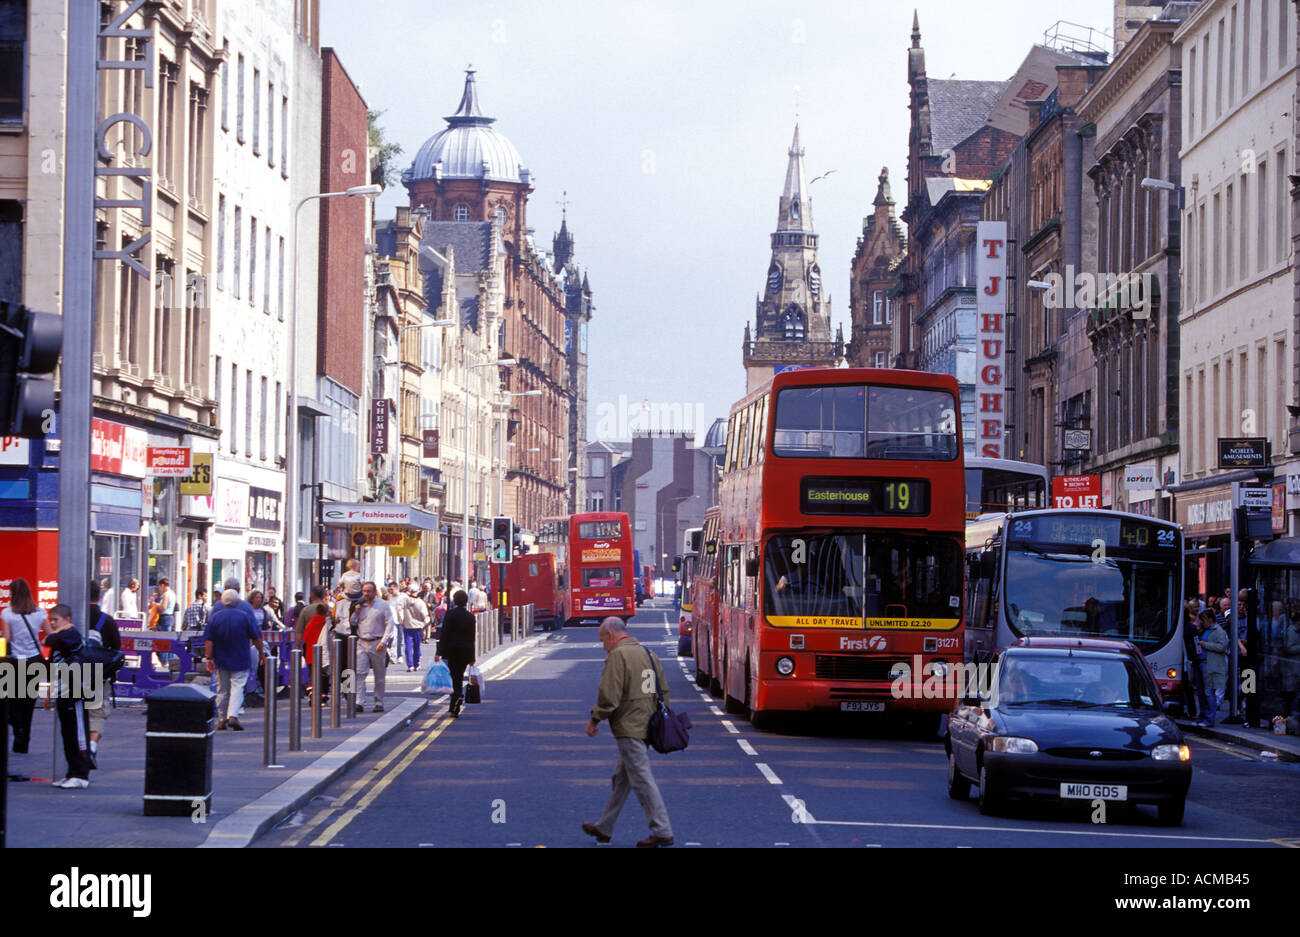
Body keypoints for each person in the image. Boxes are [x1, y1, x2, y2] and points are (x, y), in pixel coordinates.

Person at [581, 617, 674, 847]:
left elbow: (609, 695)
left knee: (641, 778)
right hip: (647, 725)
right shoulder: (648, 654)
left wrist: (595, 719)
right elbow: (663, 691)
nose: (604, 646)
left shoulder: (618, 655)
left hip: (629, 726)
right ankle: (605, 827)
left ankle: (662, 830)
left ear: (611, 635)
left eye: (603, 641)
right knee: (621, 778)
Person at [42, 605, 93, 789]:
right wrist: (49, 693)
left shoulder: (71, 635)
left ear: (67, 619)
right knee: (67, 733)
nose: (53, 623)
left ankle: (81, 773)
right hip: (63, 691)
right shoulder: (60, 639)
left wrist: (61, 630)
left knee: (77, 732)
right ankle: (72, 772)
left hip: (76, 691)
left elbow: (48, 639)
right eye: (51, 620)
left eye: (56, 620)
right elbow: (54, 667)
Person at [204, 589, 266, 730]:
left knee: (222, 688)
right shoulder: (245, 617)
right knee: (237, 686)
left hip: (221, 657)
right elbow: (256, 637)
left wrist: (209, 657)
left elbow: (209, 640)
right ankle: (233, 715)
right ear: (237, 601)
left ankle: (221, 718)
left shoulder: (215, 617)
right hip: (240, 656)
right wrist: (261, 653)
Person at [2, 577, 47, 755]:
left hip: (14, 662)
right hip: (34, 661)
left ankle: (16, 727)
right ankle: (22, 742)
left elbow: (6, 639)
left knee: (12, 700)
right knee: (28, 704)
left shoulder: (7, 614)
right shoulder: (40, 613)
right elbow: (49, 635)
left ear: (12, 594)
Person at [85, 581, 121, 767]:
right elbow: (116, 649)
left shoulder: (74, 616)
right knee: (97, 714)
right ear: (99, 596)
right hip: (99, 674)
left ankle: (78, 749)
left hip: (74, 674)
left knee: (74, 713)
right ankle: (91, 746)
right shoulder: (107, 621)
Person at [436, 590, 477, 717]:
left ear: (455, 601)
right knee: (458, 676)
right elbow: (472, 638)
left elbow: (445, 634)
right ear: (466, 601)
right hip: (465, 652)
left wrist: (439, 652)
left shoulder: (450, 614)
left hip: (452, 651)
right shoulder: (470, 617)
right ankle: (455, 704)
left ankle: (456, 701)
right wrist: (472, 657)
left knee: (454, 678)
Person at [353, 581, 391, 713]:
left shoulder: (383, 605)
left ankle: (378, 702)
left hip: (377, 642)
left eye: (369, 591)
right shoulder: (359, 605)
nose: (366, 594)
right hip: (362, 642)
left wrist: (384, 641)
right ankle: (359, 702)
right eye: (364, 591)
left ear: (375, 592)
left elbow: (390, 624)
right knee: (360, 673)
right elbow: (352, 622)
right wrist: (356, 612)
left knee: (379, 675)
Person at [1198, 609, 1229, 727]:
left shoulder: (1219, 631)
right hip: (1203, 662)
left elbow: (1222, 647)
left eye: (1203, 621)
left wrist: (1205, 644)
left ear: (1209, 620)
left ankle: (1209, 719)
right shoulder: (1206, 630)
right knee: (1203, 692)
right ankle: (1204, 717)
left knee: (1208, 692)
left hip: (1210, 663)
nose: (1201, 623)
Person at [402, 584, 430, 671]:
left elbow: (399, 611)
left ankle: (410, 665)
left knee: (408, 647)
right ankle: (416, 663)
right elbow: (425, 615)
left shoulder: (404, 601)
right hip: (418, 627)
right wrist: (424, 624)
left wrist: (402, 621)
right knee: (417, 646)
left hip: (407, 626)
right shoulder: (420, 603)